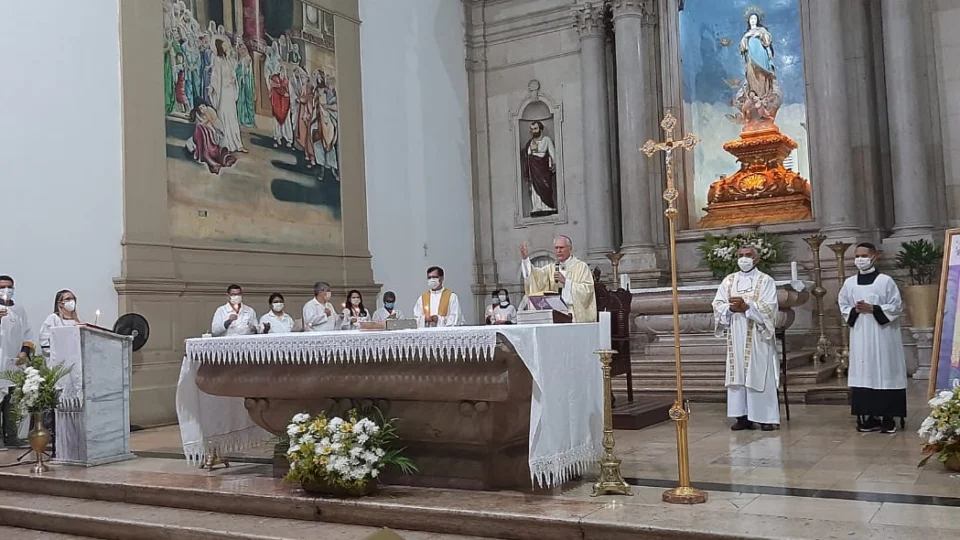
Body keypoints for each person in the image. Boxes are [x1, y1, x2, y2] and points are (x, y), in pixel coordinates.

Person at [838, 242, 907, 434]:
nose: (860, 259)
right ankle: (868, 417)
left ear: (874, 256)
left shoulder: (885, 281)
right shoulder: (849, 283)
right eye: (857, 256)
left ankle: (888, 418)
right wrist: (855, 309)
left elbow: (896, 306)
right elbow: (843, 304)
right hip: (861, 333)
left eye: (864, 255)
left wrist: (874, 308)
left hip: (883, 335)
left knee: (884, 371)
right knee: (864, 371)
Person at [712, 245, 780, 431]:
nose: (744, 259)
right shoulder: (728, 281)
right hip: (736, 334)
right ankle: (742, 417)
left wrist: (747, 307)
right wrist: (731, 308)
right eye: (741, 255)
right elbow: (717, 304)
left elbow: (770, 307)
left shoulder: (765, 281)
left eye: (748, 255)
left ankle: (766, 418)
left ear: (756, 259)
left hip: (758, 336)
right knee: (737, 375)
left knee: (759, 374)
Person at [518, 235, 597, 323]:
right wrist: (525, 260)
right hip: (555, 315)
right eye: (556, 248)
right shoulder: (551, 268)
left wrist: (567, 282)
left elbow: (588, 290)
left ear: (570, 249)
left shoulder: (581, 267)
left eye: (561, 248)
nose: (558, 251)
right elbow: (536, 277)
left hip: (574, 315)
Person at [0, 275, 34, 447]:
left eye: (9, 287)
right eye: (2, 287)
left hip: (15, 362)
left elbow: (27, 333)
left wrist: (24, 351)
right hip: (0, 361)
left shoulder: (19, 310)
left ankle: (12, 436)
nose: (6, 290)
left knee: (12, 401)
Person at [39, 289, 83, 355]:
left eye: (73, 299)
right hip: (59, 360)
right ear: (60, 303)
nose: (72, 301)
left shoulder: (78, 321)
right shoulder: (53, 319)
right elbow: (45, 340)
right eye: (68, 299)